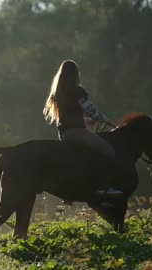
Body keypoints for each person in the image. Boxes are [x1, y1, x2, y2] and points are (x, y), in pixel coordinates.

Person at [43, 60, 122, 204]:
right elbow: (91, 111)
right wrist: (106, 120)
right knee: (108, 150)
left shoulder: (59, 93)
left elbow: (67, 116)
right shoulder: (77, 91)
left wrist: (85, 121)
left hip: (64, 134)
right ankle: (104, 188)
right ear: (75, 74)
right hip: (77, 133)